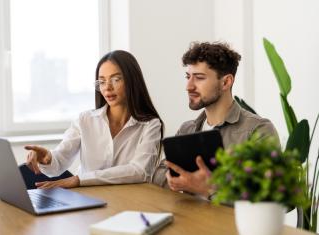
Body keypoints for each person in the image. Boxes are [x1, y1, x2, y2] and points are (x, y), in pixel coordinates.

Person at [152, 41, 279, 199]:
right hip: (189, 218)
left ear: (226, 82)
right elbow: (158, 174)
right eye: (188, 77)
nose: (188, 86)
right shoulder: (187, 129)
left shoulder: (258, 130)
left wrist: (210, 189)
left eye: (199, 78)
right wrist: (177, 180)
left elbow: (270, 196)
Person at [21, 50, 164, 189]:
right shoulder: (85, 120)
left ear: (132, 81)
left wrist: (80, 179)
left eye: (116, 79)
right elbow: (59, 163)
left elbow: (139, 171)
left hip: (129, 202)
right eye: (102, 81)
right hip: (89, 200)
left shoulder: (150, 125)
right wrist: (47, 158)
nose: (107, 88)